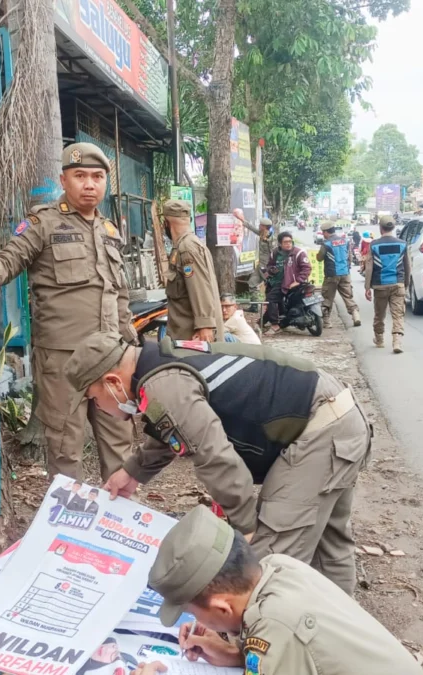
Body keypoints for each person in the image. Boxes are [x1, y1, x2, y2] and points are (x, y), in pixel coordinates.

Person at [63, 332, 370, 594]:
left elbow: (215, 457)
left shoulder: (163, 387)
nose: (99, 408)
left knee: (269, 564)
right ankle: (341, 636)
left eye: (94, 398)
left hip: (319, 430)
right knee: (330, 546)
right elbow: (175, 430)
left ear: (113, 382)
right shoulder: (159, 365)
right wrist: (131, 473)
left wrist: (246, 525)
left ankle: (267, 651)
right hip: (337, 414)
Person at [0, 143, 134, 482]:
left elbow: (119, 294)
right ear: (64, 180)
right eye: (80, 176)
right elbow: (5, 265)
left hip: (112, 357)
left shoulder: (110, 231)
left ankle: (119, 521)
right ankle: (68, 525)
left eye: (98, 177)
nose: (89, 184)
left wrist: (129, 343)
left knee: (120, 442)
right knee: (64, 446)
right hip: (62, 359)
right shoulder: (43, 223)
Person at [128, 506, 423, 675]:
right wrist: (236, 655)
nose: (199, 624)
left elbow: (281, 639)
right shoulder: (276, 567)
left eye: (195, 614)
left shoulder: (276, 626)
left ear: (222, 607)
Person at [162, 199, 222, 342]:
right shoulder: (187, 245)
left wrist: (205, 326)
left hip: (193, 338)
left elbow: (200, 287)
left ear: (166, 222)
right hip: (184, 334)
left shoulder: (187, 248)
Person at [363, 216, 408, 353]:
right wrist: (406, 284)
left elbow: (369, 267)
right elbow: (407, 266)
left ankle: (380, 339)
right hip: (397, 283)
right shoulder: (402, 244)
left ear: (380, 228)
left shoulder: (374, 245)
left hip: (380, 285)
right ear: (393, 228)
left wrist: (367, 287)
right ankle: (397, 342)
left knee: (379, 314)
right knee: (398, 314)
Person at [262, 232, 310, 336]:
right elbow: (269, 266)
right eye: (285, 242)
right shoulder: (275, 253)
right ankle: (263, 321)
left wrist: (298, 280)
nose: (288, 244)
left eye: (290, 241)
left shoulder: (298, 253)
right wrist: (271, 270)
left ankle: (275, 325)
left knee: (271, 299)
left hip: (291, 284)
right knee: (273, 299)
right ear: (280, 244)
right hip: (277, 282)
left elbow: (306, 268)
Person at [315, 222, 361, 328]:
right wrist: (347, 267)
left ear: (326, 232)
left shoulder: (326, 244)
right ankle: (355, 315)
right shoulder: (345, 241)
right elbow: (349, 256)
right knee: (348, 296)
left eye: (323, 232)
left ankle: (327, 322)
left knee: (327, 297)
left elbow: (319, 258)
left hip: (332, 274)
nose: (323, 234)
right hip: (345, 273)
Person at [244, 216, 276, 299]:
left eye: (260, 225)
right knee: (252, 282)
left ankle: (272, 304)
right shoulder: (262, 234)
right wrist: (241, 220)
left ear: (264, 227)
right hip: (260, 265)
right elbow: (251, 228)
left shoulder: (270, 238)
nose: (259, 226)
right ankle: (254, 305)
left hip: (266, 266)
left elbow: (273, 253)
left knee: (270, 284)